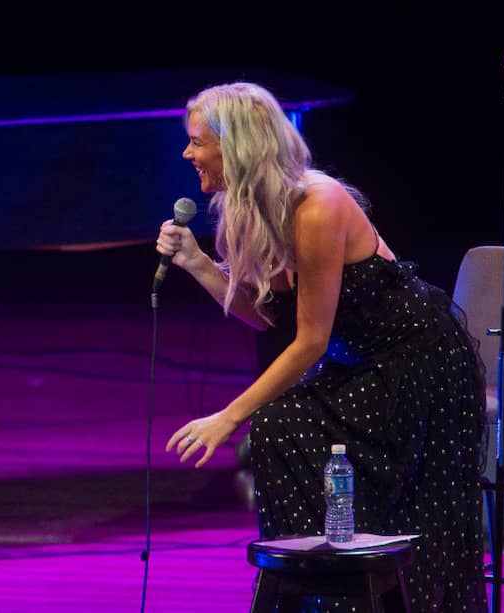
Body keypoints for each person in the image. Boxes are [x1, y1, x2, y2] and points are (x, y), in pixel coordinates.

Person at [159, 82, 487, 611]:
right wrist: (198, 264)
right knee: (279, 426)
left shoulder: (316, 204)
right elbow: (269, 316)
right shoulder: (256, 208)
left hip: (414, 360)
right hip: (359, 362)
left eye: (197, 142)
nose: (187, 153)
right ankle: (315, 593)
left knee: (277, 424)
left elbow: (309, 342)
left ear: (236, 145)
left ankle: (341, 592)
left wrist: (228, 416)